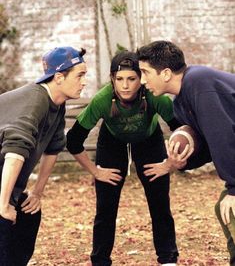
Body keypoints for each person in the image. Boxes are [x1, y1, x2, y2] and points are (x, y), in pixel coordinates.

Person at [66, 50, 181, 266]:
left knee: (159, 203)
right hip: (112, 142)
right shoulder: (101, 100)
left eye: (132, 79)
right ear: (112, 79)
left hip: (149, 141)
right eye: (119, 79)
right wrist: (95, 171)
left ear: (141, 79)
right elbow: (73, 141)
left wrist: (169, 164)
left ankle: (168, 260)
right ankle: (100, 261)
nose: (125, 85)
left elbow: (183, 131)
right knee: (106, 207)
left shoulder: (154, 96)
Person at [137, 40, 235, 265]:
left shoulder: (199, 82)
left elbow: (223, 134)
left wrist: (234, 188)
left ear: (166, 73)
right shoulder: (181, 101)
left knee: (232, 208)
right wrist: (182, 163)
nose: (142, 81)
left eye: (145, 73)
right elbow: (209, 145)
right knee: (225, 208)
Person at [0, 46, 87, 266]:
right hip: (2, 188)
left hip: (8, 186)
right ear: (59, 77)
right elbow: (14, 153)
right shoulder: (35, 101)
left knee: (29, 214)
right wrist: (3, 206)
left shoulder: (57, 104)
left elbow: (54, 148)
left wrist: (37, 192)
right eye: (80, 75)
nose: (84, 82)